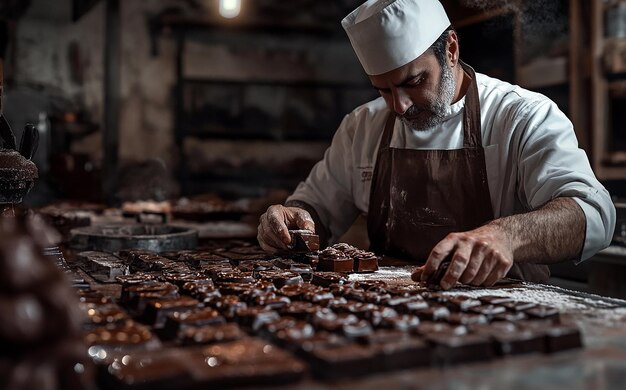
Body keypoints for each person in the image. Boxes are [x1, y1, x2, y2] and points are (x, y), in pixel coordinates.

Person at [257, 0, 616, 289]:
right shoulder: (361, 127)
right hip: (384, 313)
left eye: (413, 81)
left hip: (502, 321)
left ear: (452, 50)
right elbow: (315, 209)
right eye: (383, 90)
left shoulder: (521, 116)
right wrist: (293, 220)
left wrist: (506, 235)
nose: (399, 106)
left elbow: (594, 214)